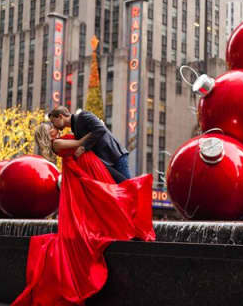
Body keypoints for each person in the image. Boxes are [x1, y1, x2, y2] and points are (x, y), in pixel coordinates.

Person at [12, 122, 155, 306]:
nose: (55, 129)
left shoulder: (61, 141)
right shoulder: (57, 144)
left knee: (115, 197)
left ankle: (128, 228)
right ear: (48, 135)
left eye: (53, 127)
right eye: (51, 129)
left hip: (89, 168)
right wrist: (94, 129)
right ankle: (127, 229)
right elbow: (81, 142)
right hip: (87, 170)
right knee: (117, 197)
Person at [49, 106, 131, 183]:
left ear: (60, 116)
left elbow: (100, 129)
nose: (53, 125)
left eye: (53, 121)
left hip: (115, 155)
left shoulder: (83, 116)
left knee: (128, 187)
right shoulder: (75, 129)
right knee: (121, 189)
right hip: (105, 162)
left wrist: (83, 147)